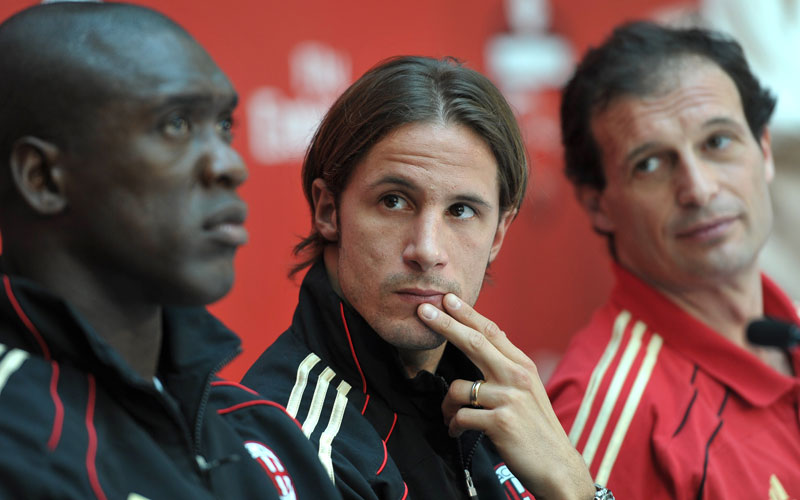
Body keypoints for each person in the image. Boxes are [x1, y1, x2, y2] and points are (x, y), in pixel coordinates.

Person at [0, 3, 340, 499]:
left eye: (224, 126)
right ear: (43, 178)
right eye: (176, 124)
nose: (229, 165)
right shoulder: (16, 440)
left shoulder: (264, 430)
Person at [243, 56, 605, 500]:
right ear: (328, 210)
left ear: (499, 233)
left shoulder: (509, 410)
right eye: (394, 202)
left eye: (461, 211)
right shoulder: (287, 440)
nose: (428, 250)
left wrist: (576, 487)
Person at [546, 21, 800, 499]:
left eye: (718, 142)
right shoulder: (604, 411)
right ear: (598, 203)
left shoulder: (790, 329)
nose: (700, 189)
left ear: (763, 149)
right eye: (651, 164)